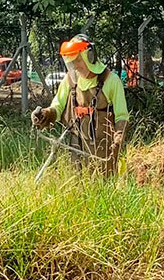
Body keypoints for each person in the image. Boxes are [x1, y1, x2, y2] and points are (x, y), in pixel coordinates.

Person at [31, 34, 129, 176]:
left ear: (90, 56)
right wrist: (45, 115)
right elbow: (57, 107)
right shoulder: (70, 81)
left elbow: (122, 116)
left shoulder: (111, 81)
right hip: (76, 149)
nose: (75, 66)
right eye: (72, 62)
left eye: (78, 60)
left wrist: (118, 139)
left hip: (103, 152)